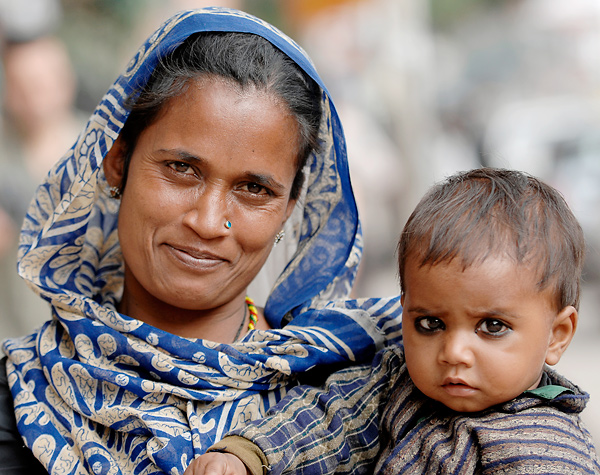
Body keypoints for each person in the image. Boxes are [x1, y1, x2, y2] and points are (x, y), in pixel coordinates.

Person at [0, 8, 403, 474]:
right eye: (181, 169)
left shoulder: (349, 400)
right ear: (117, 161)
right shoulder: (20, 396)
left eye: (255, 189)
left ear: (289, 209)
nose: (210, 222)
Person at [186, 167, 600, 475]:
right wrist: (245, 456)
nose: (453, 352)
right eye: (430, 324)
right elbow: (328, 419)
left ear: (557, 336)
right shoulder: (397, 384)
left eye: (492, 327)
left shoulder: (546, 452)